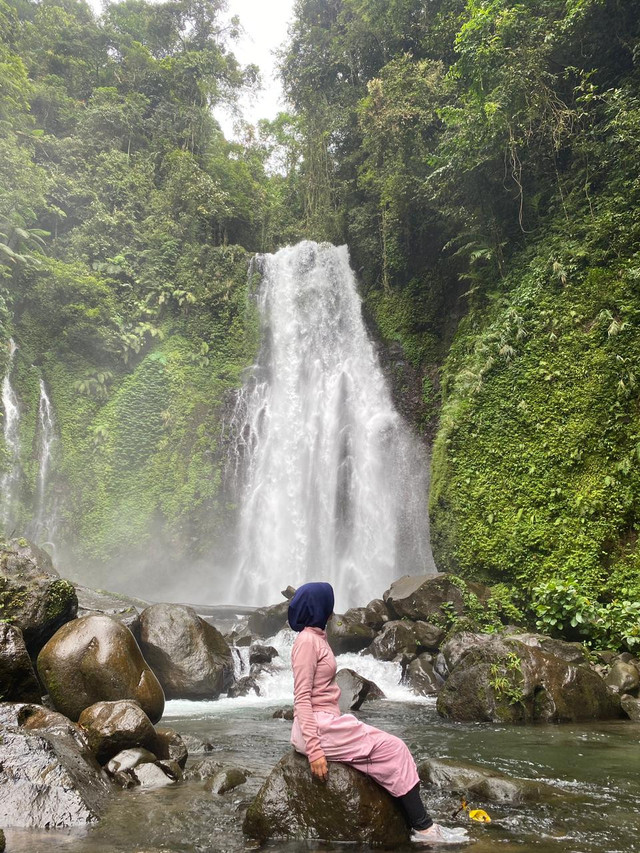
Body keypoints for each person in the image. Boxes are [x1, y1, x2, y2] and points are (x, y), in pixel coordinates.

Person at [288, 582, 467, 845]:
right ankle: (424, 829)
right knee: (394, 749)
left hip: (327, 723)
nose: (332, 609)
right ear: (319, 607)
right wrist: (315, 751)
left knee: (391, 749)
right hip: (317, 728)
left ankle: (420, 824)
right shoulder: (307, 642)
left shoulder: (316, 638)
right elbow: (302, 698)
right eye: (329, 603)